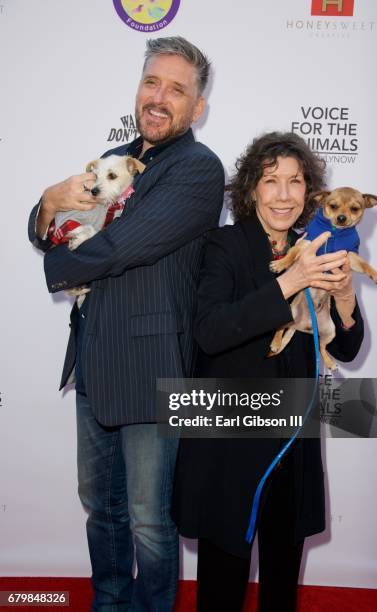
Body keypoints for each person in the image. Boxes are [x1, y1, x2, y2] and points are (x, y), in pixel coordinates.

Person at [28, 36, 225, 612]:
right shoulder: (114, 155)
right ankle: (109, 604)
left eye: (177, 89)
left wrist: (57, 262)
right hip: (93, 359)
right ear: (138, 89)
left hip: (153, 369)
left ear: (197, 108)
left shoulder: (197, 169)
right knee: (101, 508)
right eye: (151, 82)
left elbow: (119, 246)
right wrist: (45, 202)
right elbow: (59, 218)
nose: (159, 98)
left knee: (148, 522)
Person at [172, 132, 364, 611]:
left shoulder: (319, 244)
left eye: (295, 181)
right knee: (221, 584)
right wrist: (292, 282)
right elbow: (211, 331)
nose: (284, 194)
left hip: (291, 441)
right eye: (270, 180)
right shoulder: (224, 245)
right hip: (228, 440)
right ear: (251, 189)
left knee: (281, 581)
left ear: (310, 191)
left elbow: (349, 346)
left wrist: (343, 298)